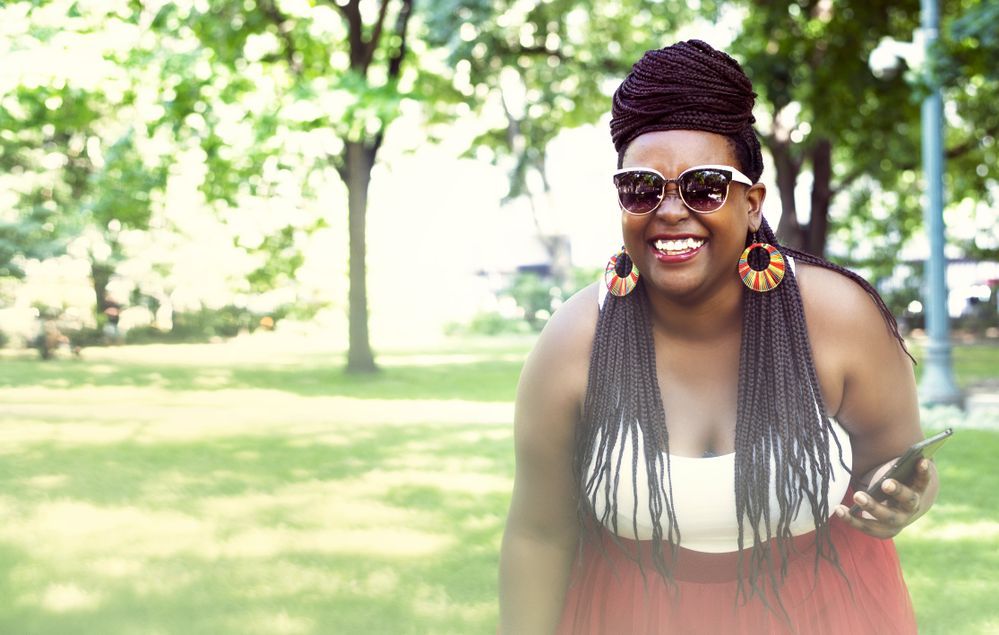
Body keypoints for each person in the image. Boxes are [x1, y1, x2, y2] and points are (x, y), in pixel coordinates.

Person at [498, 40, 939, 634]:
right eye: (641, 188)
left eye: (704, 187)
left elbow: (896, 466)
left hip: (824, 614)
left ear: (752, 202)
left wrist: (901, 502)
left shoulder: (839, 318)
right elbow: (538, 534)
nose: (670, 210)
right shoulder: (574, 344)